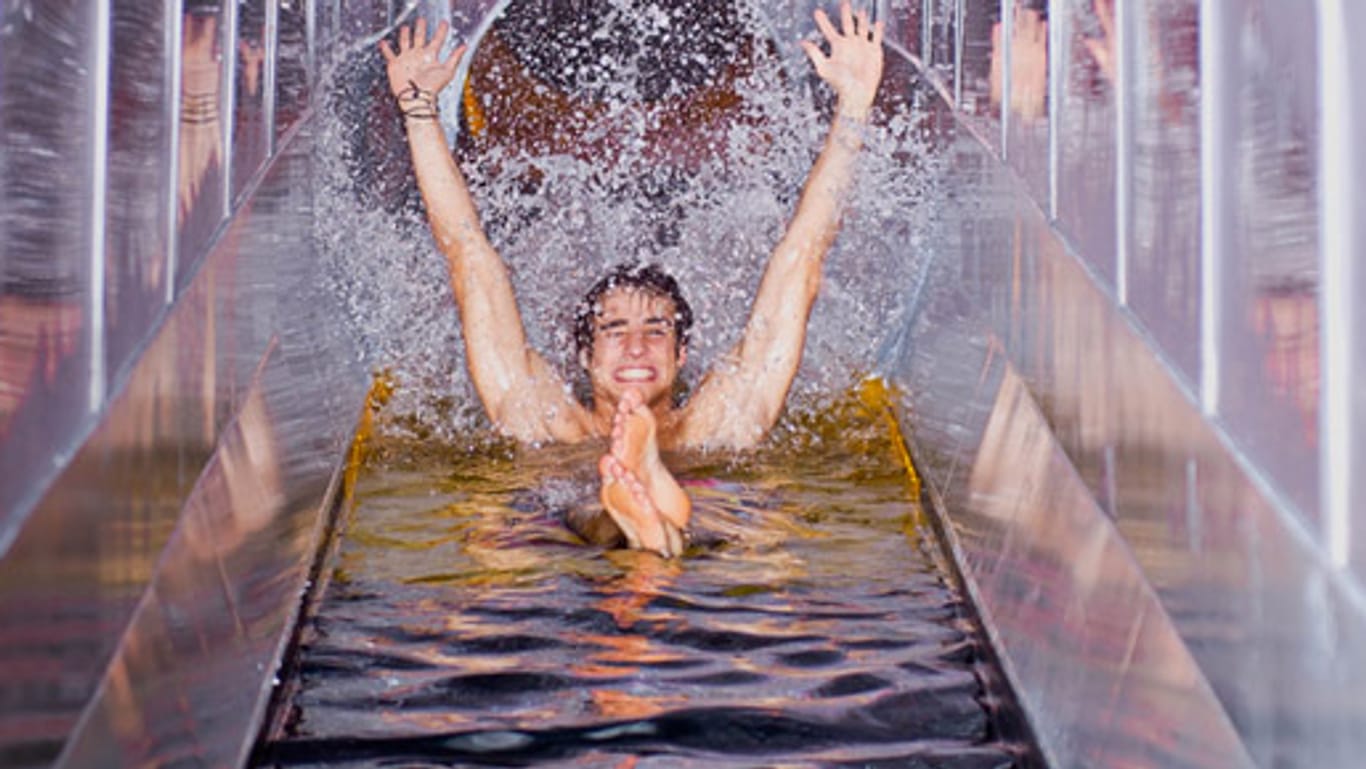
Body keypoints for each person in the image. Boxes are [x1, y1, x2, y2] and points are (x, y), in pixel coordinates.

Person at [379, 2, 884, 557]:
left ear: (684, 351)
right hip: (646, 553)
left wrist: (854, 106)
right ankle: (649, 510)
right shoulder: (551, 417)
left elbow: (801, 259)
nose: (637, 345)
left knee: (733, 542)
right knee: (524, 543)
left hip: (657, 545)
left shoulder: (714, 418)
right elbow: (469, 259)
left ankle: (645, 510)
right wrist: (419, 110)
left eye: (657, 329)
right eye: (614, 329)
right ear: (583, 354)